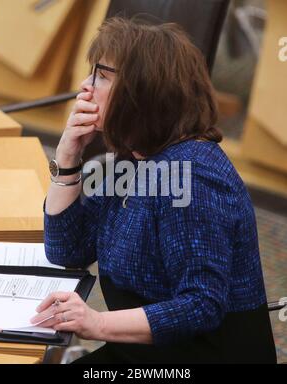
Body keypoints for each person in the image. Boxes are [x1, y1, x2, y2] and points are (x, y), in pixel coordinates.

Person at [30, 16, 277, 363]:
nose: (84, 87)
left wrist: (98, 322)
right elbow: (68, 250)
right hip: (143, 350)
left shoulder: (191, 177)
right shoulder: (131, 158)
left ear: (141, 90)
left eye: (101, 75)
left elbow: (201, 305)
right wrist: (68, 157)